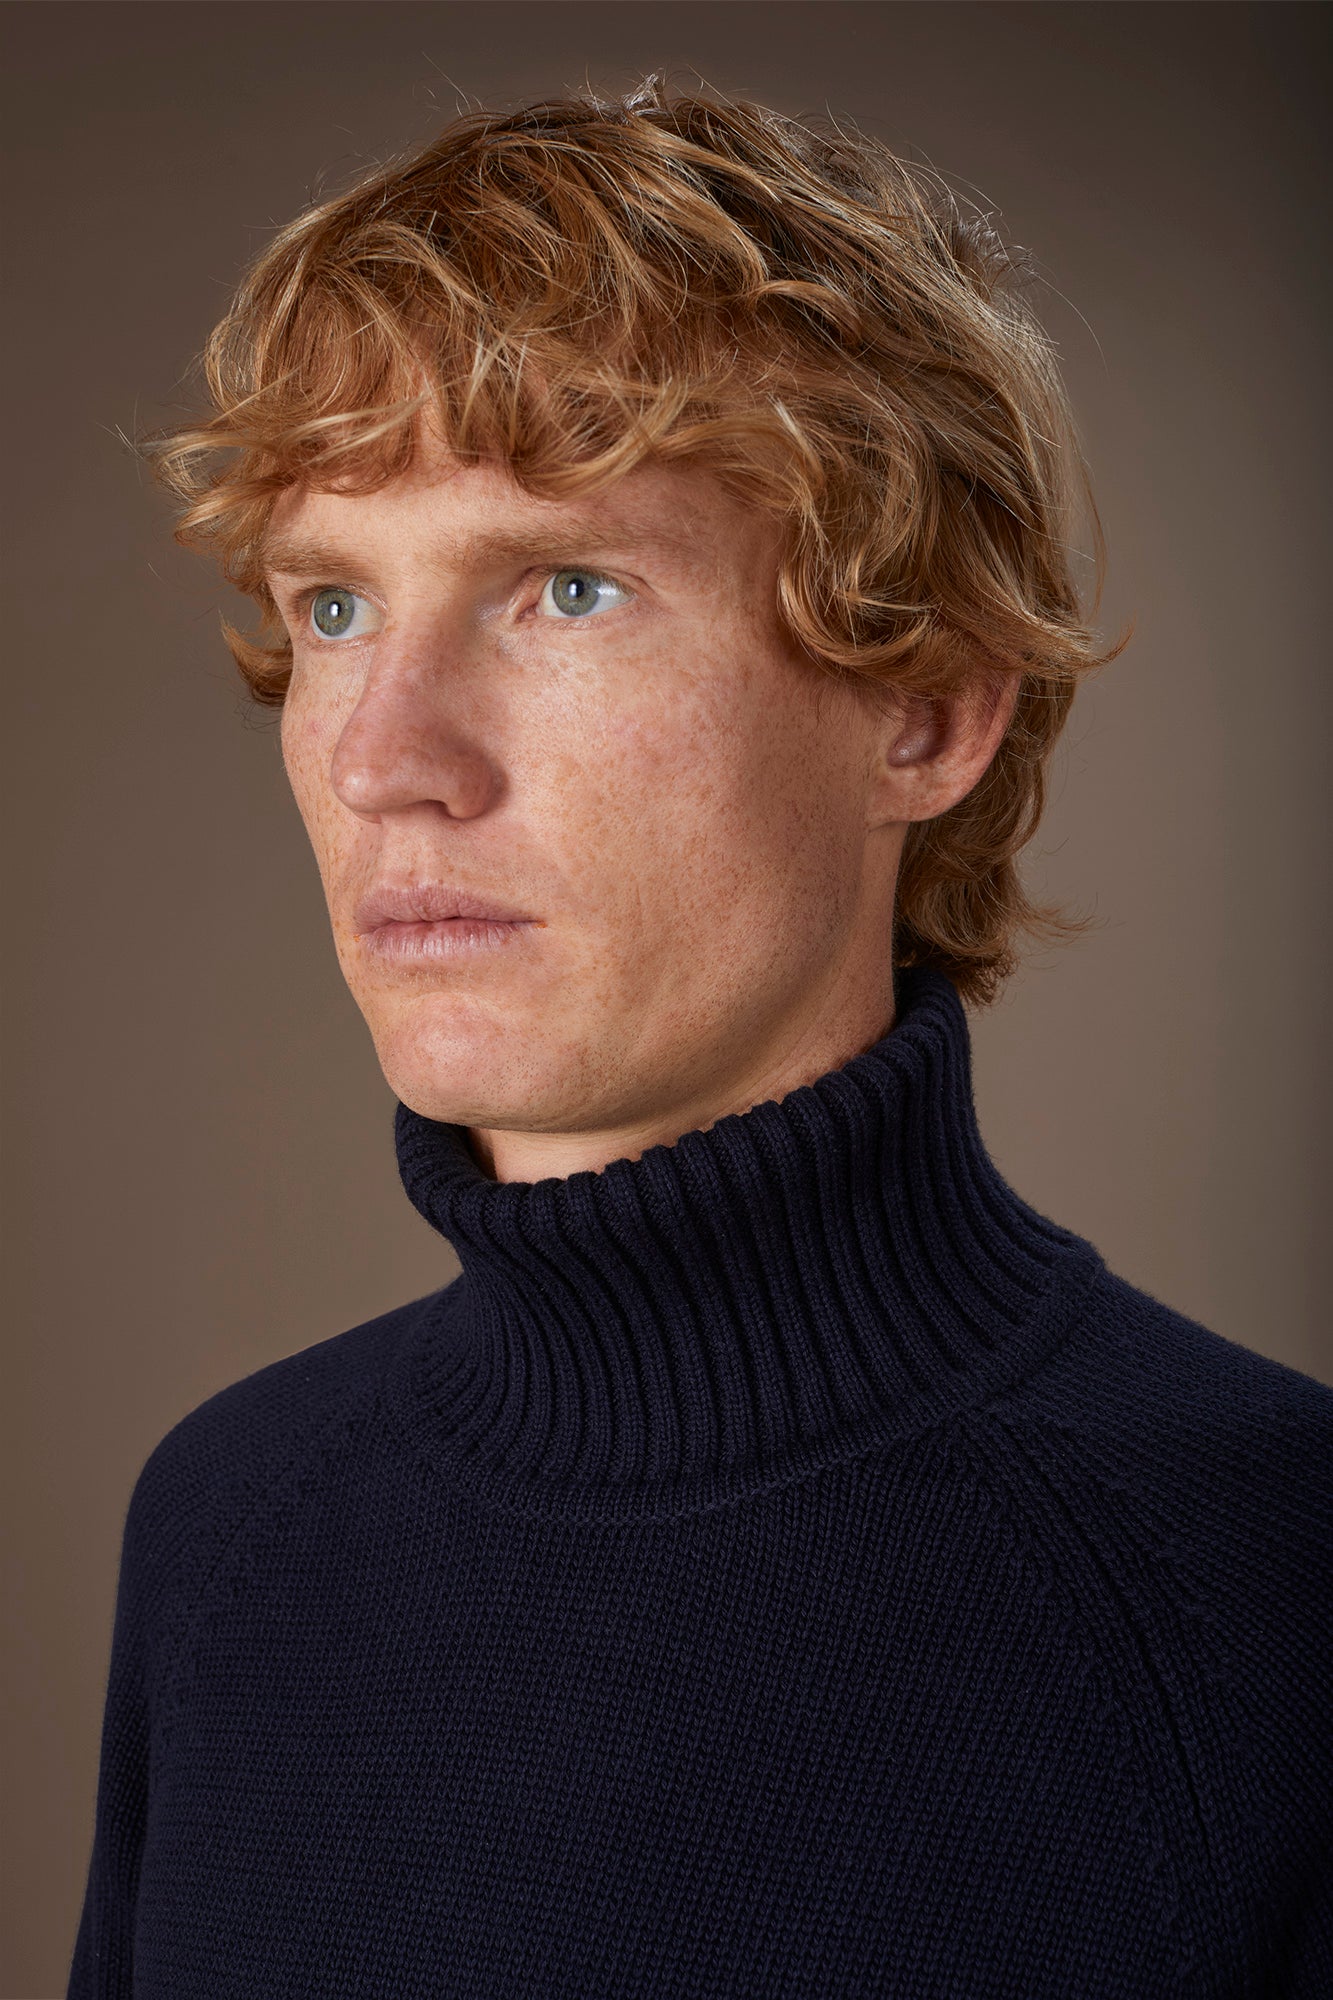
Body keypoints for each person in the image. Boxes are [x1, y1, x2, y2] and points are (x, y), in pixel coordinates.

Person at [69, 79, 1331, 1999]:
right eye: (333, 604)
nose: (383, 755)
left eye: (565, 588)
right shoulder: (228, 1527)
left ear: (924, 710)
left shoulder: (1271, 1583)